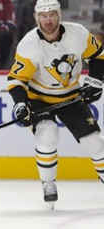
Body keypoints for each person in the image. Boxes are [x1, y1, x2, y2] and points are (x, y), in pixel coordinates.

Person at [7, 0, 104, 209]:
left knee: (94, 142)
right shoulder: (28, 44)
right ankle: (48, 183)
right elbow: (16, 81)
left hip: (71, 97)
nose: (48, 20)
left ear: (59, 15)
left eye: (52, 14)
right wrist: (21, 104)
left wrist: (96, 81)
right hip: (39, 99)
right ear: (36, 18)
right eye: (43, 15)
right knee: (47, 134)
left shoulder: (77, 33)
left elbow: (99, 57)